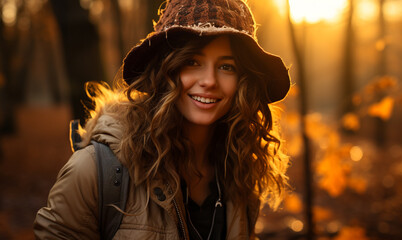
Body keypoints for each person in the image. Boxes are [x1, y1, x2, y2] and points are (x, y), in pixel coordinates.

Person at [34, 0, 291, 239]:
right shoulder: (94, 170)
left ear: (243, 82)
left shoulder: (239, 173)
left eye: (226, 66)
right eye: (192, 61)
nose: (210, 81)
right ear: (164, 71)